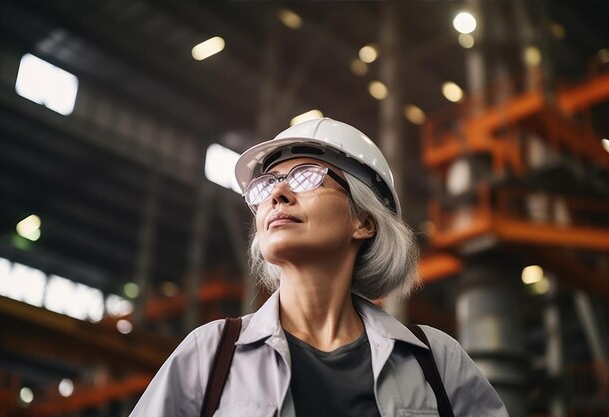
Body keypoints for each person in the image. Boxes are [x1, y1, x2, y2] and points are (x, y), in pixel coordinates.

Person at [129, 118, 508, 417]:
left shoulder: (436, 362)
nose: (277, 194)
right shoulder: (210, 354)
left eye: (306, 176)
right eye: (267, 185)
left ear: (364, 220)